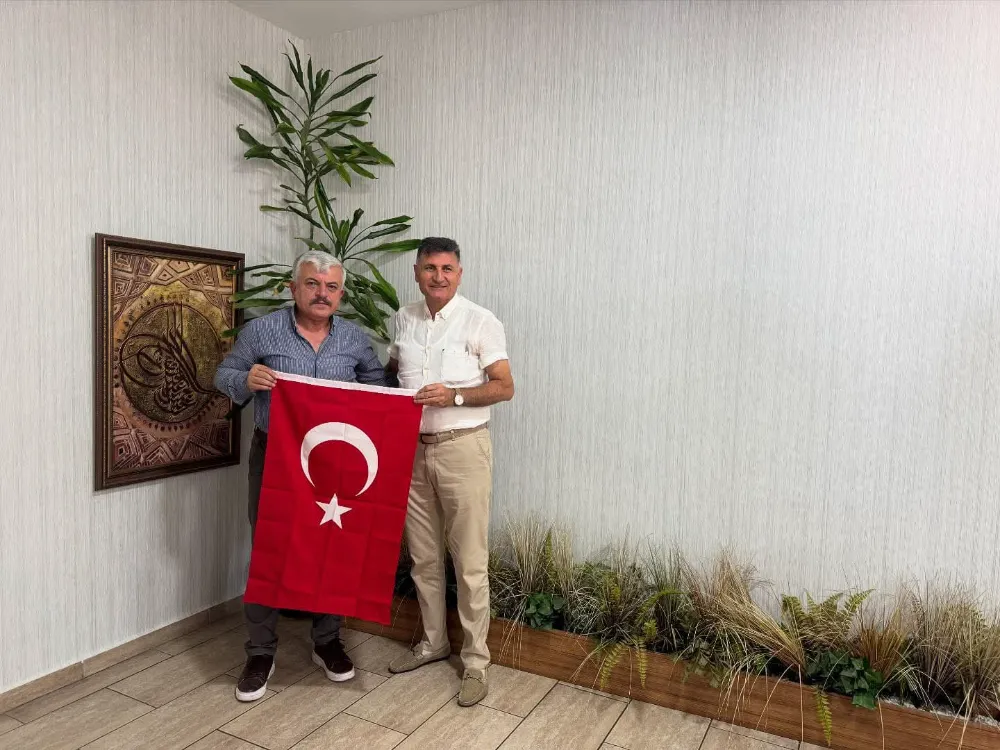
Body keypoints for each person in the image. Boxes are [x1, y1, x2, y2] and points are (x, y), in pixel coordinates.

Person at [214, 249, 386, 702]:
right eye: (312, 284)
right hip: (275, 456)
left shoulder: (354, 339)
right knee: (269, 550)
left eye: (331, 287)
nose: (322, 294)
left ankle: (327, 641)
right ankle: (260, 651)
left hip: (334, 462)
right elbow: (224, 373)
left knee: (332, 547)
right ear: (294, 288)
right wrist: (244, 380)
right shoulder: (262, 330)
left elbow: (378, 385)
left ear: (341, 294)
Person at [385, 237, 515, 707]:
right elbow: (391, 373)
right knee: (423, 557)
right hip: (412, 452)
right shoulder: (403, 318)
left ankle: (476, 661)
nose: (438, 276)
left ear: (459, 274)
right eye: (429, 268)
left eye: (447, 269)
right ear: (416, 273)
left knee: (470, 561)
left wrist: (455, 396)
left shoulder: (481, 320)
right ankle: (434, 642)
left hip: (464, 449)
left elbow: (505, 387)